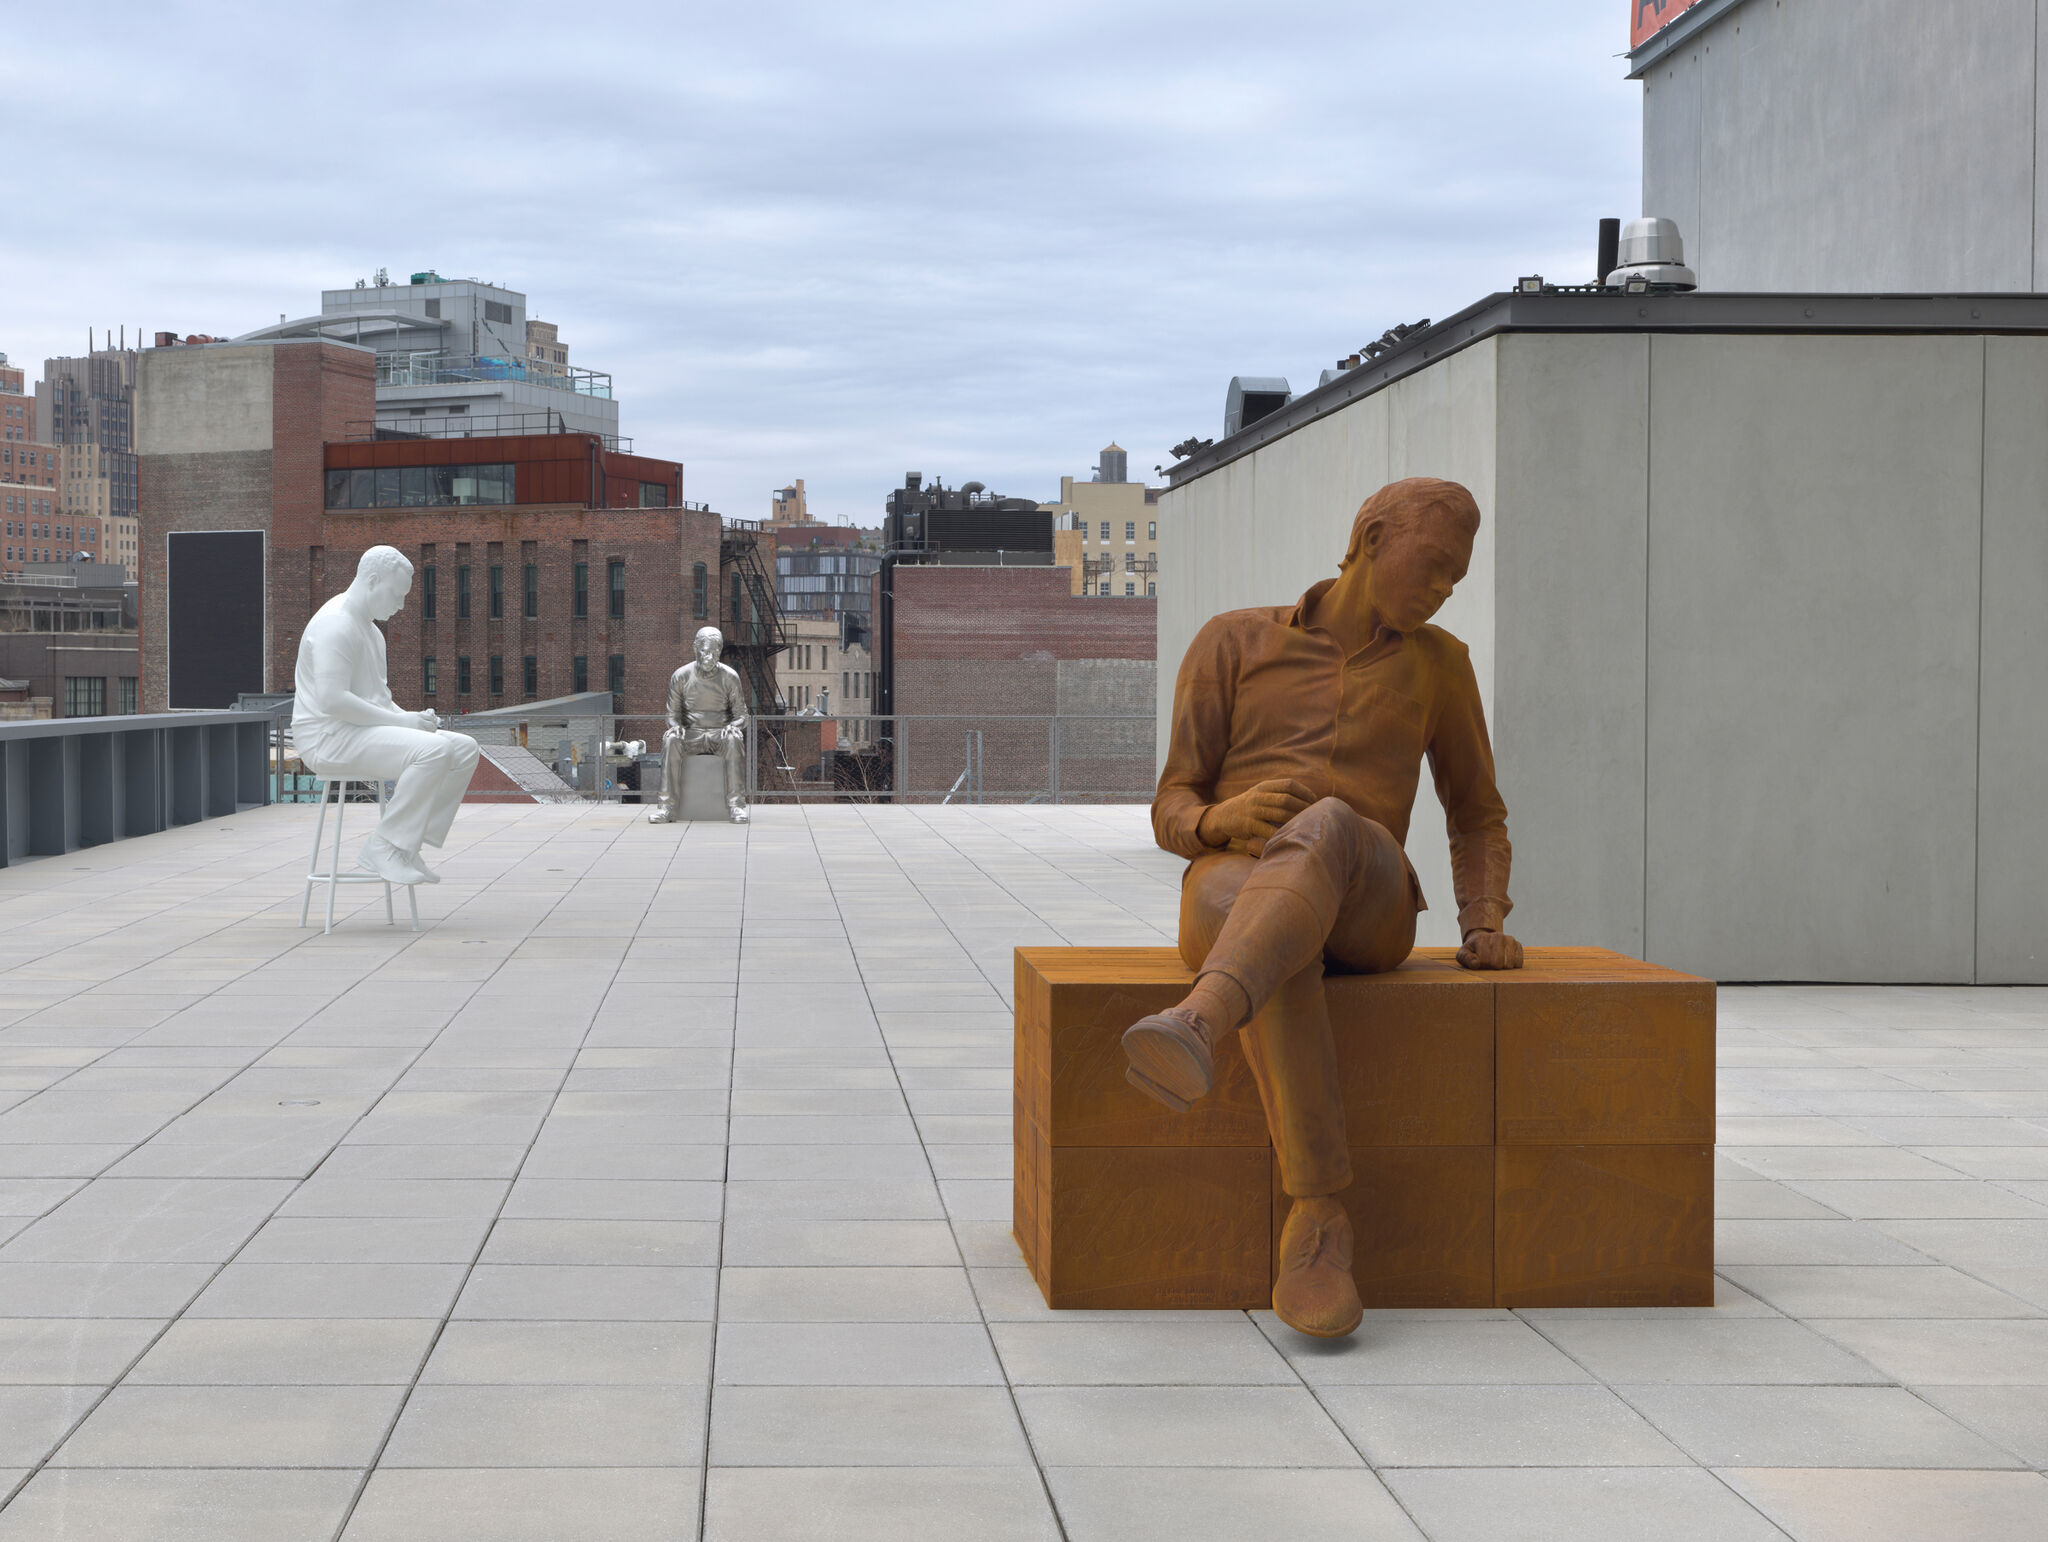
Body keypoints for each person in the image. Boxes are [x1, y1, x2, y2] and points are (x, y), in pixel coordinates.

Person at [1123, 477, 1524, 1339]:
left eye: (1458, 577)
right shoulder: (1232, 643)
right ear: (1373, 536)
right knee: (1266, 925)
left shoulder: (1440, 665)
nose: (1447, 587)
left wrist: (1482, 919)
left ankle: (1200, 1019)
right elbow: (1172, 803)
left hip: (1368, 896)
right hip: (1235, 882)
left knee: (1331, 822)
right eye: (1437, 565)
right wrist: (1217, 819)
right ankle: (1319, 1219)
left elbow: (1476, 811)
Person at [292, 545, 480, 886]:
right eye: (397, 594)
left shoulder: (373, 633)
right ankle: (385, 846)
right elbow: (333, 701)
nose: (401, 605)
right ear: (373, 581)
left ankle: (404, 847)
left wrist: (413, 718)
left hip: (358, 732)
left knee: (464, 748)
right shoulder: (335, 625)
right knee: (433, 750)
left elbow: (379, 701)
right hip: (327, 738)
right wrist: (403, 723)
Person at [648, 625, 749, 824]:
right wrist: (675, 725)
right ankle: (666, 807)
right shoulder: (681, 676)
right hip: (691, 734)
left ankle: (736, 806)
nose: (709, 657)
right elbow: (672, 714)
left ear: (719, 652)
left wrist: (733, 725)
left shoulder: (730, 677)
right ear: (695, 649)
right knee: (670, 739)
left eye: (714, 652)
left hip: (719, 734)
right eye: (704, 651)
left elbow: (743, 716)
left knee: (734, 739)